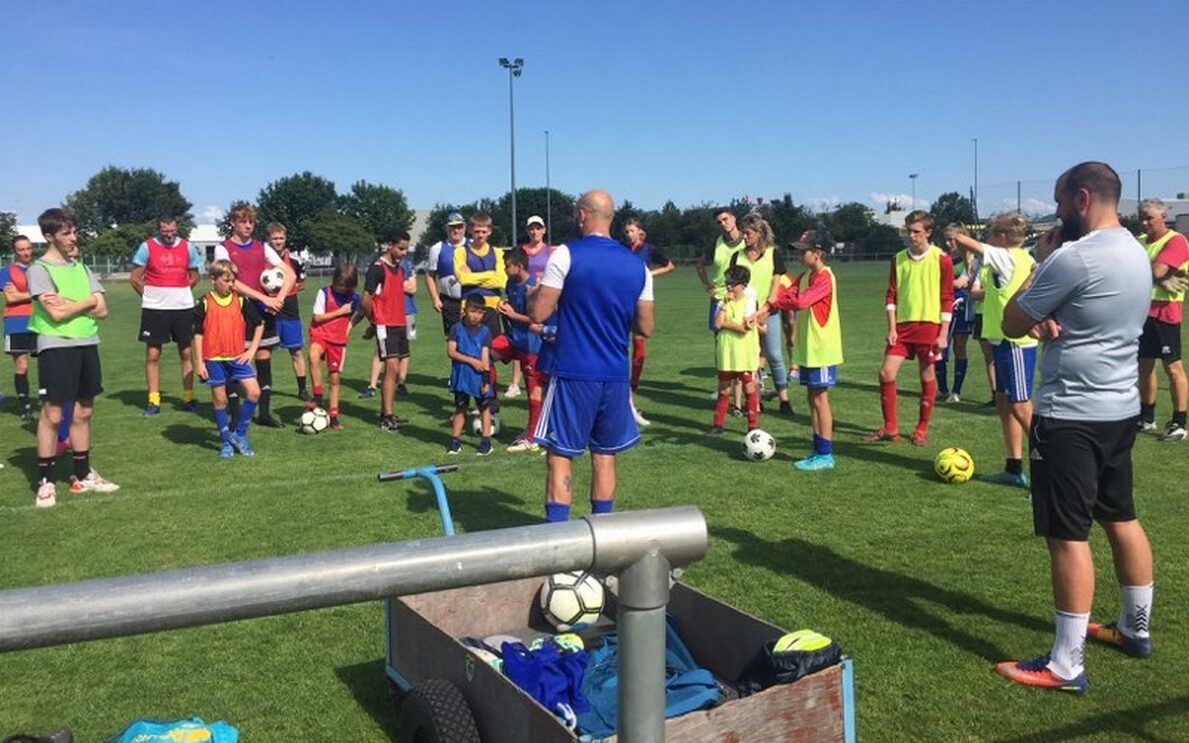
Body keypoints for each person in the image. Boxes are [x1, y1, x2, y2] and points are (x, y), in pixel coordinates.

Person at [994, 162, 1154, 696]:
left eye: (1061, 203)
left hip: (1070, 417)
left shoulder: (1072, 256)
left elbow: (1011, 321)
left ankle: (1065, 664)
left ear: (1082, 198)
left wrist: (1041, 266)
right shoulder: (1135, 250)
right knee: (1121, 516)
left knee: (1067, 535)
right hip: (1120, 409)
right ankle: (1135, 628)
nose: (1056, 215)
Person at [530, 189, 654, 523]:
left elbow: (540, 313)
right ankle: (603, 538)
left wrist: (533, 295)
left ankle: (558, 544)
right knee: (605, 455)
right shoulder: (637, 265)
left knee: (560, 456)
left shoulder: (565, 254)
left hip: (572, 370)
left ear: (582, 215)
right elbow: (646, 326)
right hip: (614, 373)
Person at [27, 208, 118, 507]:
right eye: (66, 233)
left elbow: (102, 310)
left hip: (87, 342)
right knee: (53, 414)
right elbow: (54, 312)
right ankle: (46, 481)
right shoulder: (39, 270)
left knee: (84, 412)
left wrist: (77, 303)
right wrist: (88, 301)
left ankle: (83, 474)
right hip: (56, 345)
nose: (72, 237)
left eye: (74, 231)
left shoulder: (82, 268)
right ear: (49, 236)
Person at [947, 215, 1037, 487]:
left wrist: (964, 247)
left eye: (990, 233)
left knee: (1021, 408)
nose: (986, 237)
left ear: (1001, 237)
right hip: (1001, 338)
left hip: (1016, 343)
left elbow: (961, 238)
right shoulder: (1013, 257)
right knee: (1004, 404)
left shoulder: (1007, 256)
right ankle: (1013, 468)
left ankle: (1055, 473)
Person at [865, 210, 954, 446]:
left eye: (916, 232)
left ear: (928, 232)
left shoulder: (941, 259)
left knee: (926, 375)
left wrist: (943, 333)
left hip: (930, 328)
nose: (911, 236)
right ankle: (890, 428)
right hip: (902, 329)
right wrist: (892, 328)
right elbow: (891, 295)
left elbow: (947, 297)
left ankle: (921, 429)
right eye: (909, 231)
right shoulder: (898, 259)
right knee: (886, 373)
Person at [757, 233, 844, 471]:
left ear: (818, 253)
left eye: (802, 250)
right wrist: (765, 305)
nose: (798, 254)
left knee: (820, 399)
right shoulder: (806, 276)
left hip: (823, 348)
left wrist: (775, 302)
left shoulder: (825, 277)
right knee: (812, 398)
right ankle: (817, 450)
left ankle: (825, 454)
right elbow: (786, 294)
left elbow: (800, 302)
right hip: (810, 349)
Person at [213, 204, 295, 427]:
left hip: (262, 311)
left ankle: (265, 414)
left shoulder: (262, 247)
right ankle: (236, 415)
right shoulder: (224, 249)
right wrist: (263, 297)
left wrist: (278, 299)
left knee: (263, 359)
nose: (248, 225)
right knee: (235, 361)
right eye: (243, 221)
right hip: (235, 311)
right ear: (234, 223)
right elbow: (231, 280)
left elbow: (290, 274)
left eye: (251, 221)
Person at [129, 215, 203, 416]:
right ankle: (154, 400)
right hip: (155, 309)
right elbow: (135, 278)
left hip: (182, 307)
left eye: (172, 231)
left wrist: (183, 290)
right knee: (153, 354)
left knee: (186, 353)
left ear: (176, 228)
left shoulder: (187, 247)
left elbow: (195, 275)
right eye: (165, 231)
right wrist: (152, 296)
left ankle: (188, 397)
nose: (169, 235)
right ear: (159, 230)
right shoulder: (147, 247)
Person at [192, 260, 264, 458]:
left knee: (254, 392)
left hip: (238, 358)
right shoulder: (204, 302)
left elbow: (259, 324)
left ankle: (239, 434)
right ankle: (225, 442)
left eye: (233, 281)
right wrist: (199, 362)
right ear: (213, 280)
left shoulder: (241, 301)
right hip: (213, 359)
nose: (231, 284)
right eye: (226, 280)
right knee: (220, 399)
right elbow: (197, 334)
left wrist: (251, 351)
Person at [1134, 198, 1189, 440]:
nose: (1144, 222)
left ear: (1163, 217)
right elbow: (1133, 270)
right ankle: (1147, 418)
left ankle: (1179, 423)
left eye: (1149, 218)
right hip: (1141, 311)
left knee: (1172, 366)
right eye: (1141, 218)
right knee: (1144, 365)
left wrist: (1154, 272)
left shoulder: (1176, 240)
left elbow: (1156, 271)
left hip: (1166, 311)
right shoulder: (1141, 242)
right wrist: (1157, 273)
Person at [732, 214, 794, 415]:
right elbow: (734, 287)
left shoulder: (773, 254)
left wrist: (764, 311)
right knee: (751, 359)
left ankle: (784, 400)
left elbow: (776, 286)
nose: (744, 236)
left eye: (748, 233)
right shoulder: (738, 256)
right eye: (743, 233)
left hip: (770, 312)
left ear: (759, 234)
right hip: (745, 315)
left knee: (774, 356)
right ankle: (755, 401)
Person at [623, 217, 674, 427]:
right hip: (622, 298)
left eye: (632, 231)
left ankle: (633, 387)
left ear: (640, 232)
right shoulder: (620, 249)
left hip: (641, 300)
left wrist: (649, 274)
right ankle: (623, 389)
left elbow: (670, 266)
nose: (629, 234)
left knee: (640, 342)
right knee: (619, 342)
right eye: (626, 231)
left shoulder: (649, 249)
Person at [494, 248, 546, 453]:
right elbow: (513, 310)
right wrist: (504, 306)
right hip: (514, 340)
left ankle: (533, 437)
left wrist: (513, 315)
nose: (505, 270)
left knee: (534, 391)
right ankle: (489, 408)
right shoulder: (510, 283)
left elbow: (537, 320)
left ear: (519, 266)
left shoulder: (533, 286)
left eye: (507, 266)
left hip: (533, 346)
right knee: (483, 356)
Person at [362, 229, 411, 432]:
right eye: (401, 248)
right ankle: (387, 417)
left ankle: (387, 412)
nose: (404, 253)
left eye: (406, 249)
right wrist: (374, 323)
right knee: (390, 369)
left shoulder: (400, 269)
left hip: (400, 324)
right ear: (389, 245)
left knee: (397, 370)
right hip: (385, 325)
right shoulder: (377, 269)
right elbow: (366, 300)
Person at [705, 265, 760, 435]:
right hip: (726, 350)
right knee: (723, 388)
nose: (728, 286)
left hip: (743, 351)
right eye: (727, 282)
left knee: (748, 386)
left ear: (743, 285)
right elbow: (716, 324)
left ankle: (752, 425)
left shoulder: (749, 301)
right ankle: (718, 424)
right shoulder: (724, 301)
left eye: (732, 283)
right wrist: (724, 306)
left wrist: (726, 324)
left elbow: (744, 328)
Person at [308, 264, 362, 430]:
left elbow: (363, 311)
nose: (342, 288)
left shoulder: (354, 298)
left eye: (346, 286)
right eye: (339, 284)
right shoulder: (324, 293)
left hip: (338, 340)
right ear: (334, 280)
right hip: (320, 333)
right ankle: (317, 395)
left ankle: (333, 416)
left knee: (334, 379)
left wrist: (349, 326)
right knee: (313, 356)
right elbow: (317, 318)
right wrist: (340, 312)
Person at [507, 215, 554, 398]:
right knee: (520, 336)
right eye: (531, 228)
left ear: (544, 230)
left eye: (538, 228)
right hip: (522, 297)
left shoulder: (550, 251)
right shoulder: (522, 251)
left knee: (539, 337)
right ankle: (515, 383)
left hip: (543, 297)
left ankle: (542, 379)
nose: (535, 231)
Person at [265, 223, 311, 403]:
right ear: (268, 239)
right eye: (274, 238)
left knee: (296, 351)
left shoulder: (295, 260)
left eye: (281, 238)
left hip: (291, 311)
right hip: (269, 310)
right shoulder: (262, 259)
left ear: (286, 238)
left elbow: (302, 282)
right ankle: (264, 387)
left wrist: (285, 289)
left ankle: (302, 390)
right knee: (264, 352)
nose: (278, 241)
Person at [446, 296, 494, 456]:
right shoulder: (456, 328)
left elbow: (485, 355)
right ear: (465, 310)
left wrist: (486, 379)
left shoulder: (485, 331)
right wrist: (472, 361)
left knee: (484, 408)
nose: (476, 316)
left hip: (478, 377)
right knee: (460, 408)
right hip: (461, 377)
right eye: (473, 311)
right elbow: (451, 352)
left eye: (480, 313)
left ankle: (486, 441)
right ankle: (455, 441)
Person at [936, 223, 973, 403]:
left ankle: (956, 390)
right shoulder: (944, 257)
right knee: (939, 345)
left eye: (952, 239)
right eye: (947, 239)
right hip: (942, 305)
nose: (948, 243)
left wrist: (941, 283)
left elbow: (961, 283)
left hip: (960, 306)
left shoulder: (969, 259)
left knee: (959, 346)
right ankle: (941, 389)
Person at [2, 235, 36, 420]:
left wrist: (22, 293)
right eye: (21, 249)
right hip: (16, 322)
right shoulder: (7, 271)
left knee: (48, 362)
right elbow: (11, 298)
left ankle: (49, 400)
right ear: (15, 251)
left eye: (28, 248)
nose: (26, 252)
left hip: (40, 321)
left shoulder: (39, 269)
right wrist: (35, 293)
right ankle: (25, 406)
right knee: (22, 366)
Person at [696, 207, 744, 331]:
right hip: (720, 297)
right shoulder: (716, 244)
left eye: (725, 219)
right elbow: (700, 265)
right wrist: (707, 286)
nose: (723, 224)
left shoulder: (747, 240)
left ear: (733, 218)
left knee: (748, 337)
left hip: (743, 296)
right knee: (720, 338)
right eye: (719, 222)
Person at [424, 211, 468, 335]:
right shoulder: (437, 248)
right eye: (452, 227)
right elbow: (430, 275)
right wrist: (435, 298)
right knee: (454, 338)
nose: (456, 231)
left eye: (459, 227)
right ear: (446, 228)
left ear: (464, 228)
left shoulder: (472, 246)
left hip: (470, 300)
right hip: (449, 302)